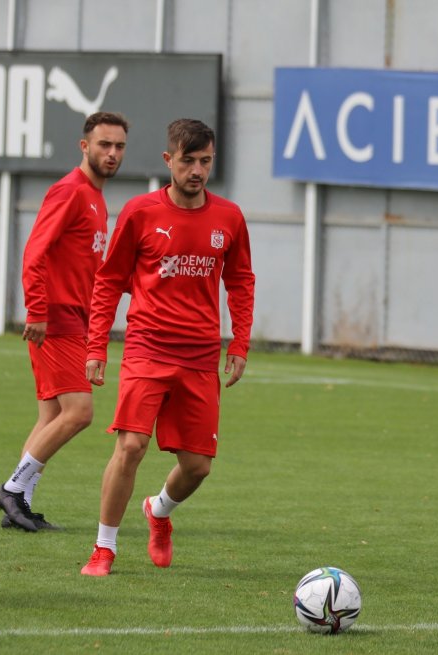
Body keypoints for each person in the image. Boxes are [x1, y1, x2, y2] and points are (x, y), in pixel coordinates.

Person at [80, 118, 255, 576]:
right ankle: (104, 548)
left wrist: (239, 342)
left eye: (206, 161)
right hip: (146, 348)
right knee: (131, 445)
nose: (197, 170)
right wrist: (96, 346)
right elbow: (108, 281)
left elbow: (240, 281)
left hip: (200, 357)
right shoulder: (140, 213)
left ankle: (158, 512)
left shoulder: (230, 218)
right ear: (168, 160)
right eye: (188, 161)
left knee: (197, 467)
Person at [0, 112, 129, 532]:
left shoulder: (96, 197)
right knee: (80, 412)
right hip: (56, 318)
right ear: (84, 146)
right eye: (104, 144)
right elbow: (35, 253)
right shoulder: (69, 191)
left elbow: (91, 265)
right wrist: (36, 310)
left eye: (119, 146)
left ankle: (21, 506)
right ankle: (13, 489)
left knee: (50, 417)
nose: (112, 153)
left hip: (74, 318)